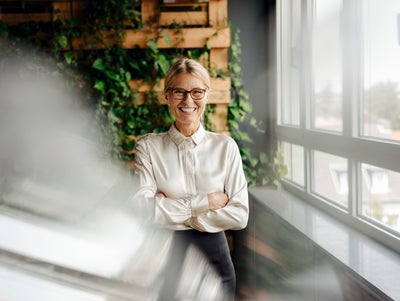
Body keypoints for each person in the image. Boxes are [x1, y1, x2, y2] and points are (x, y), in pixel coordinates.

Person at [133, 58, 249, 300]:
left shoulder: (226, 147)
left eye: (196, 92)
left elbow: (239, 215)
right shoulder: (148, 146)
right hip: (165, 258)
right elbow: (142, 209)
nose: (188, 100)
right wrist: (206, 202)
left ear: (207, 95)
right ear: (167, 95)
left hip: (215, 261)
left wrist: (168, 210)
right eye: (179, 92)